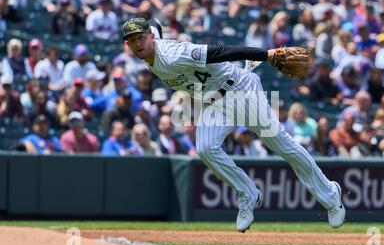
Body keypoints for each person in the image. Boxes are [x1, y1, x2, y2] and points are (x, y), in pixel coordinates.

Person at [122, 17, 345, 232]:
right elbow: (153, 22)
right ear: (127, 44)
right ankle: (248, 194)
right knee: (206, 148)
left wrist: (266, 55)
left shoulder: (173, 55)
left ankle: (331, 196)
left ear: (151, 37)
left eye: (141, 37)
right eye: (132, 40)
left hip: (240, 90)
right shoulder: (150, 49)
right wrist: (146, 22)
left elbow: (220, 51)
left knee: (283, 147)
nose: (137, 43)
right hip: (214, 103)